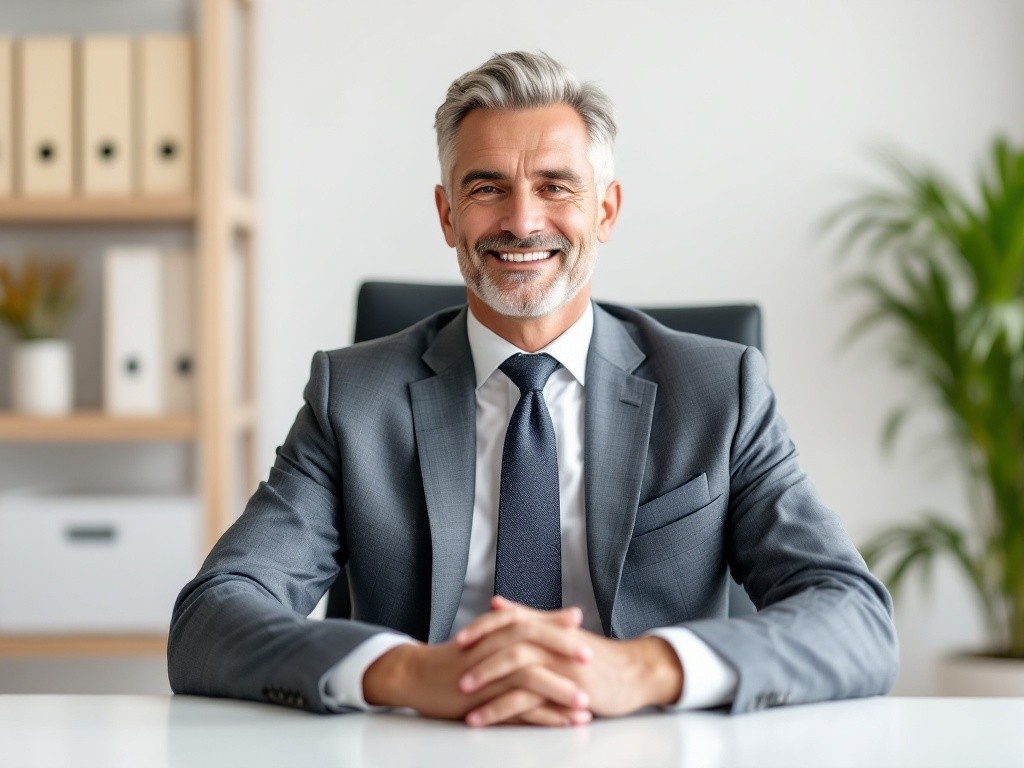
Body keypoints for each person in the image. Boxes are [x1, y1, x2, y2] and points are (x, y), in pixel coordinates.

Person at [168, 51, 898, 726]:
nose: (522, 220)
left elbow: (855, 616)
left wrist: (646, 669)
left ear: (604, 211)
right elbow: (213, 615)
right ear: (447, 213)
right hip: (424, 747)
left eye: (556, 186)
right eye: (488, 189)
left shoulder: (718, 392)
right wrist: (404, 672)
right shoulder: (352, 398)